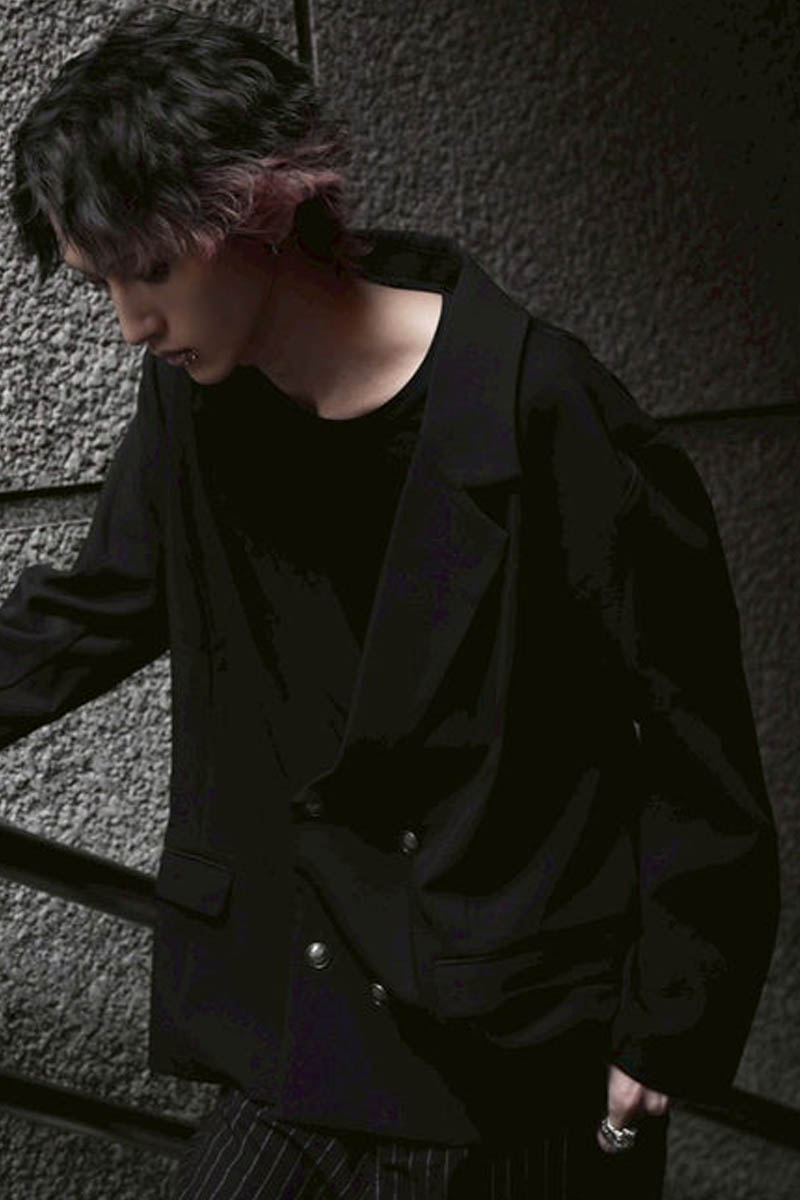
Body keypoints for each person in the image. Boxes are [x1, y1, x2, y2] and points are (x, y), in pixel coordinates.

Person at [4, 4, 780, 1197]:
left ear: (264, 206)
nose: (131, 324)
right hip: (300, 1028)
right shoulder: (196, 408)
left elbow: (690, 735)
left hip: (507, 1043)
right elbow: (90, 609)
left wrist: (669, 1016)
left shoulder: (540, 409)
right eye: (101, 281)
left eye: (151, 270)